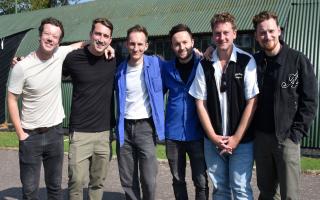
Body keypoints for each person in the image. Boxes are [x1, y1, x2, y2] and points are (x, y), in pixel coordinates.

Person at [7, 17, 83, 200]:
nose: (50, 39)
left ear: (59, 40)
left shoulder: (60, 53)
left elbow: (83, 44)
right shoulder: (22, 67)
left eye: (55, 36)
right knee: (30, 190)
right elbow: (11, 99)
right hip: (30, 136)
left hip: (55, 134)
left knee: (55, 188)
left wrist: (109, 47)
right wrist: (20, 134)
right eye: (47, 34)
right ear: (40, 36)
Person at [189, 12, 259, 199]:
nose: (222, 37)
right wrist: (212, 136)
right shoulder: (204, 65)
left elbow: (252, 101)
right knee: (220, 189)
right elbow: (200, 102)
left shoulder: (246, 61)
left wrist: (236, 138)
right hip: (213, 141)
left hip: (242, 142)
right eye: (218, 33)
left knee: (240, 188)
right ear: (212, 36)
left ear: (234, 33)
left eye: (226, 32)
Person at [252, 11, 318, 200]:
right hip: (261, 138)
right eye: (262, 33)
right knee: (266, 193)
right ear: (256, 36)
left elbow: (310, 100)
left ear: (279, 31)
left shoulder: (298, 60)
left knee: (290, 195)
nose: (267, 36)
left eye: (271, 31)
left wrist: (296, 133)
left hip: (287, 138)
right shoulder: (254, 62)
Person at [62, 18, 117, 200]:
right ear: (90, 35)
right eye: (98, 34)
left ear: (111, 39)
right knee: (76, 181)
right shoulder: (73, 58)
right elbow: (49, 63)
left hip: (104, 133)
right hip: (80, 132)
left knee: (97, 182)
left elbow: (141, 55)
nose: (101, 39)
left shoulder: (114, 58)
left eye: (106, 36)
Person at [114, 25, 165, 200]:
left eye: (140, 44)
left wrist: (203, 53)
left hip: (146, 128)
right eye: (132, 44)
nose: (136, 48)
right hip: (124, 129)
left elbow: (179, 66)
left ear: (146, 45)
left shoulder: (157, 64)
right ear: (127, 44)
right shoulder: (119, 70)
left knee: (149, 178)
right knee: (128, 180)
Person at [162, 24, 208, 200]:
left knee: (201, 181)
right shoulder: (166, 68)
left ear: (192, 42)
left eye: (185, 42)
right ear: (172, 46)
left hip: (198, 133)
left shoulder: (204, 64)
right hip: (173, 135)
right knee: (178, 179)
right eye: (176, 44)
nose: (181, 47)